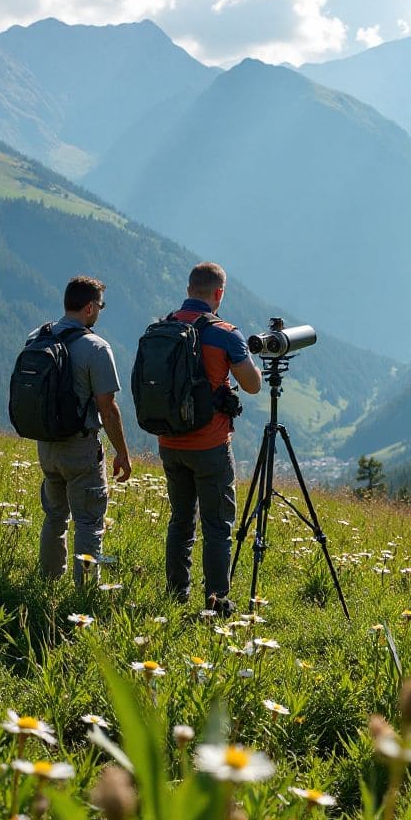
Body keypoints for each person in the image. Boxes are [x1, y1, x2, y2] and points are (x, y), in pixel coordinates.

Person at [159, 262, 261, 615]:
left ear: (189, 290)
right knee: (217, 526)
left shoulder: (163, 327)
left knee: (180, 520)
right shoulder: (225, 333)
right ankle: (217, 603)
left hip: (169, 442)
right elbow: (252, 385)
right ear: (219, 293)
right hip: (210, 445)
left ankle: (176, 594)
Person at [35, 276, 132, 584]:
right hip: (80, 447)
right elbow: (108, 408)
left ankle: (48, 582)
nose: (100, 311)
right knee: (89, 522)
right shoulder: (96, 347)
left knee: (55, 516)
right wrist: (122, 453)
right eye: (100, 306)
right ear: (90, 307)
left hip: (46, 443)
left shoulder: (38, 336)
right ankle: (85, 592)